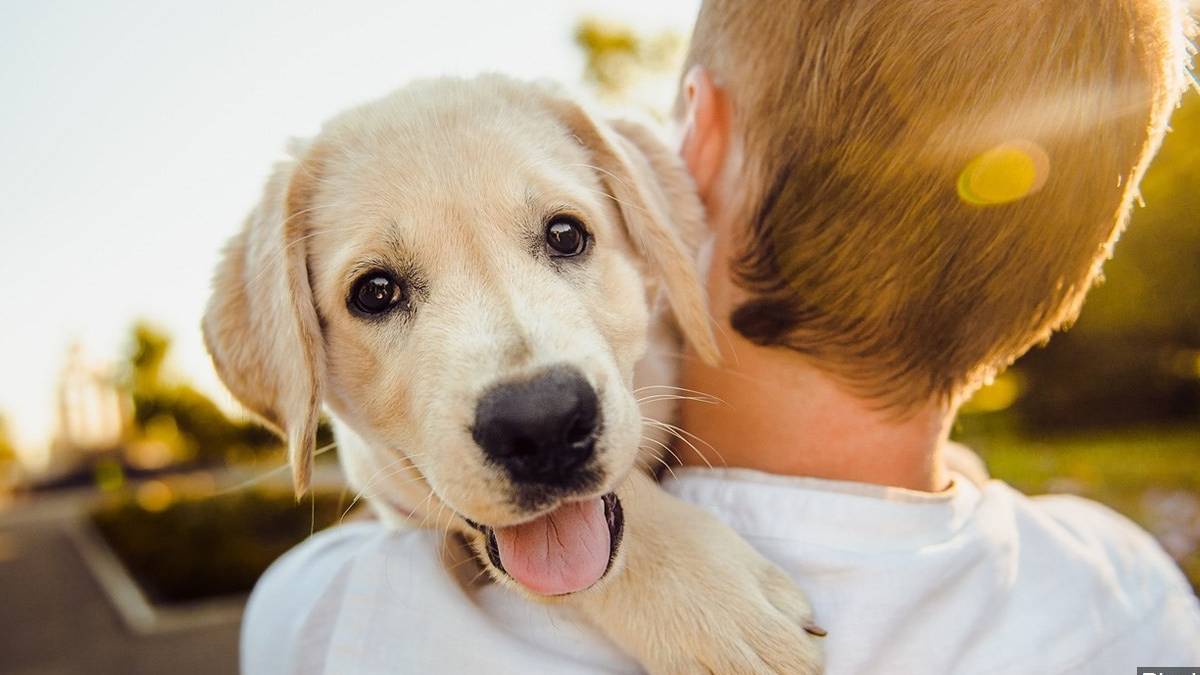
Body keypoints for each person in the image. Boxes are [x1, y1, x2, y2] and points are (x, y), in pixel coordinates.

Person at [242, 1, 1200, 673]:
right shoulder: (1134, 596)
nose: (529, 389)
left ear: (691, 146)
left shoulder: (331, 618)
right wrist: (640, 550)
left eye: (564, 237)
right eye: (379, 292)